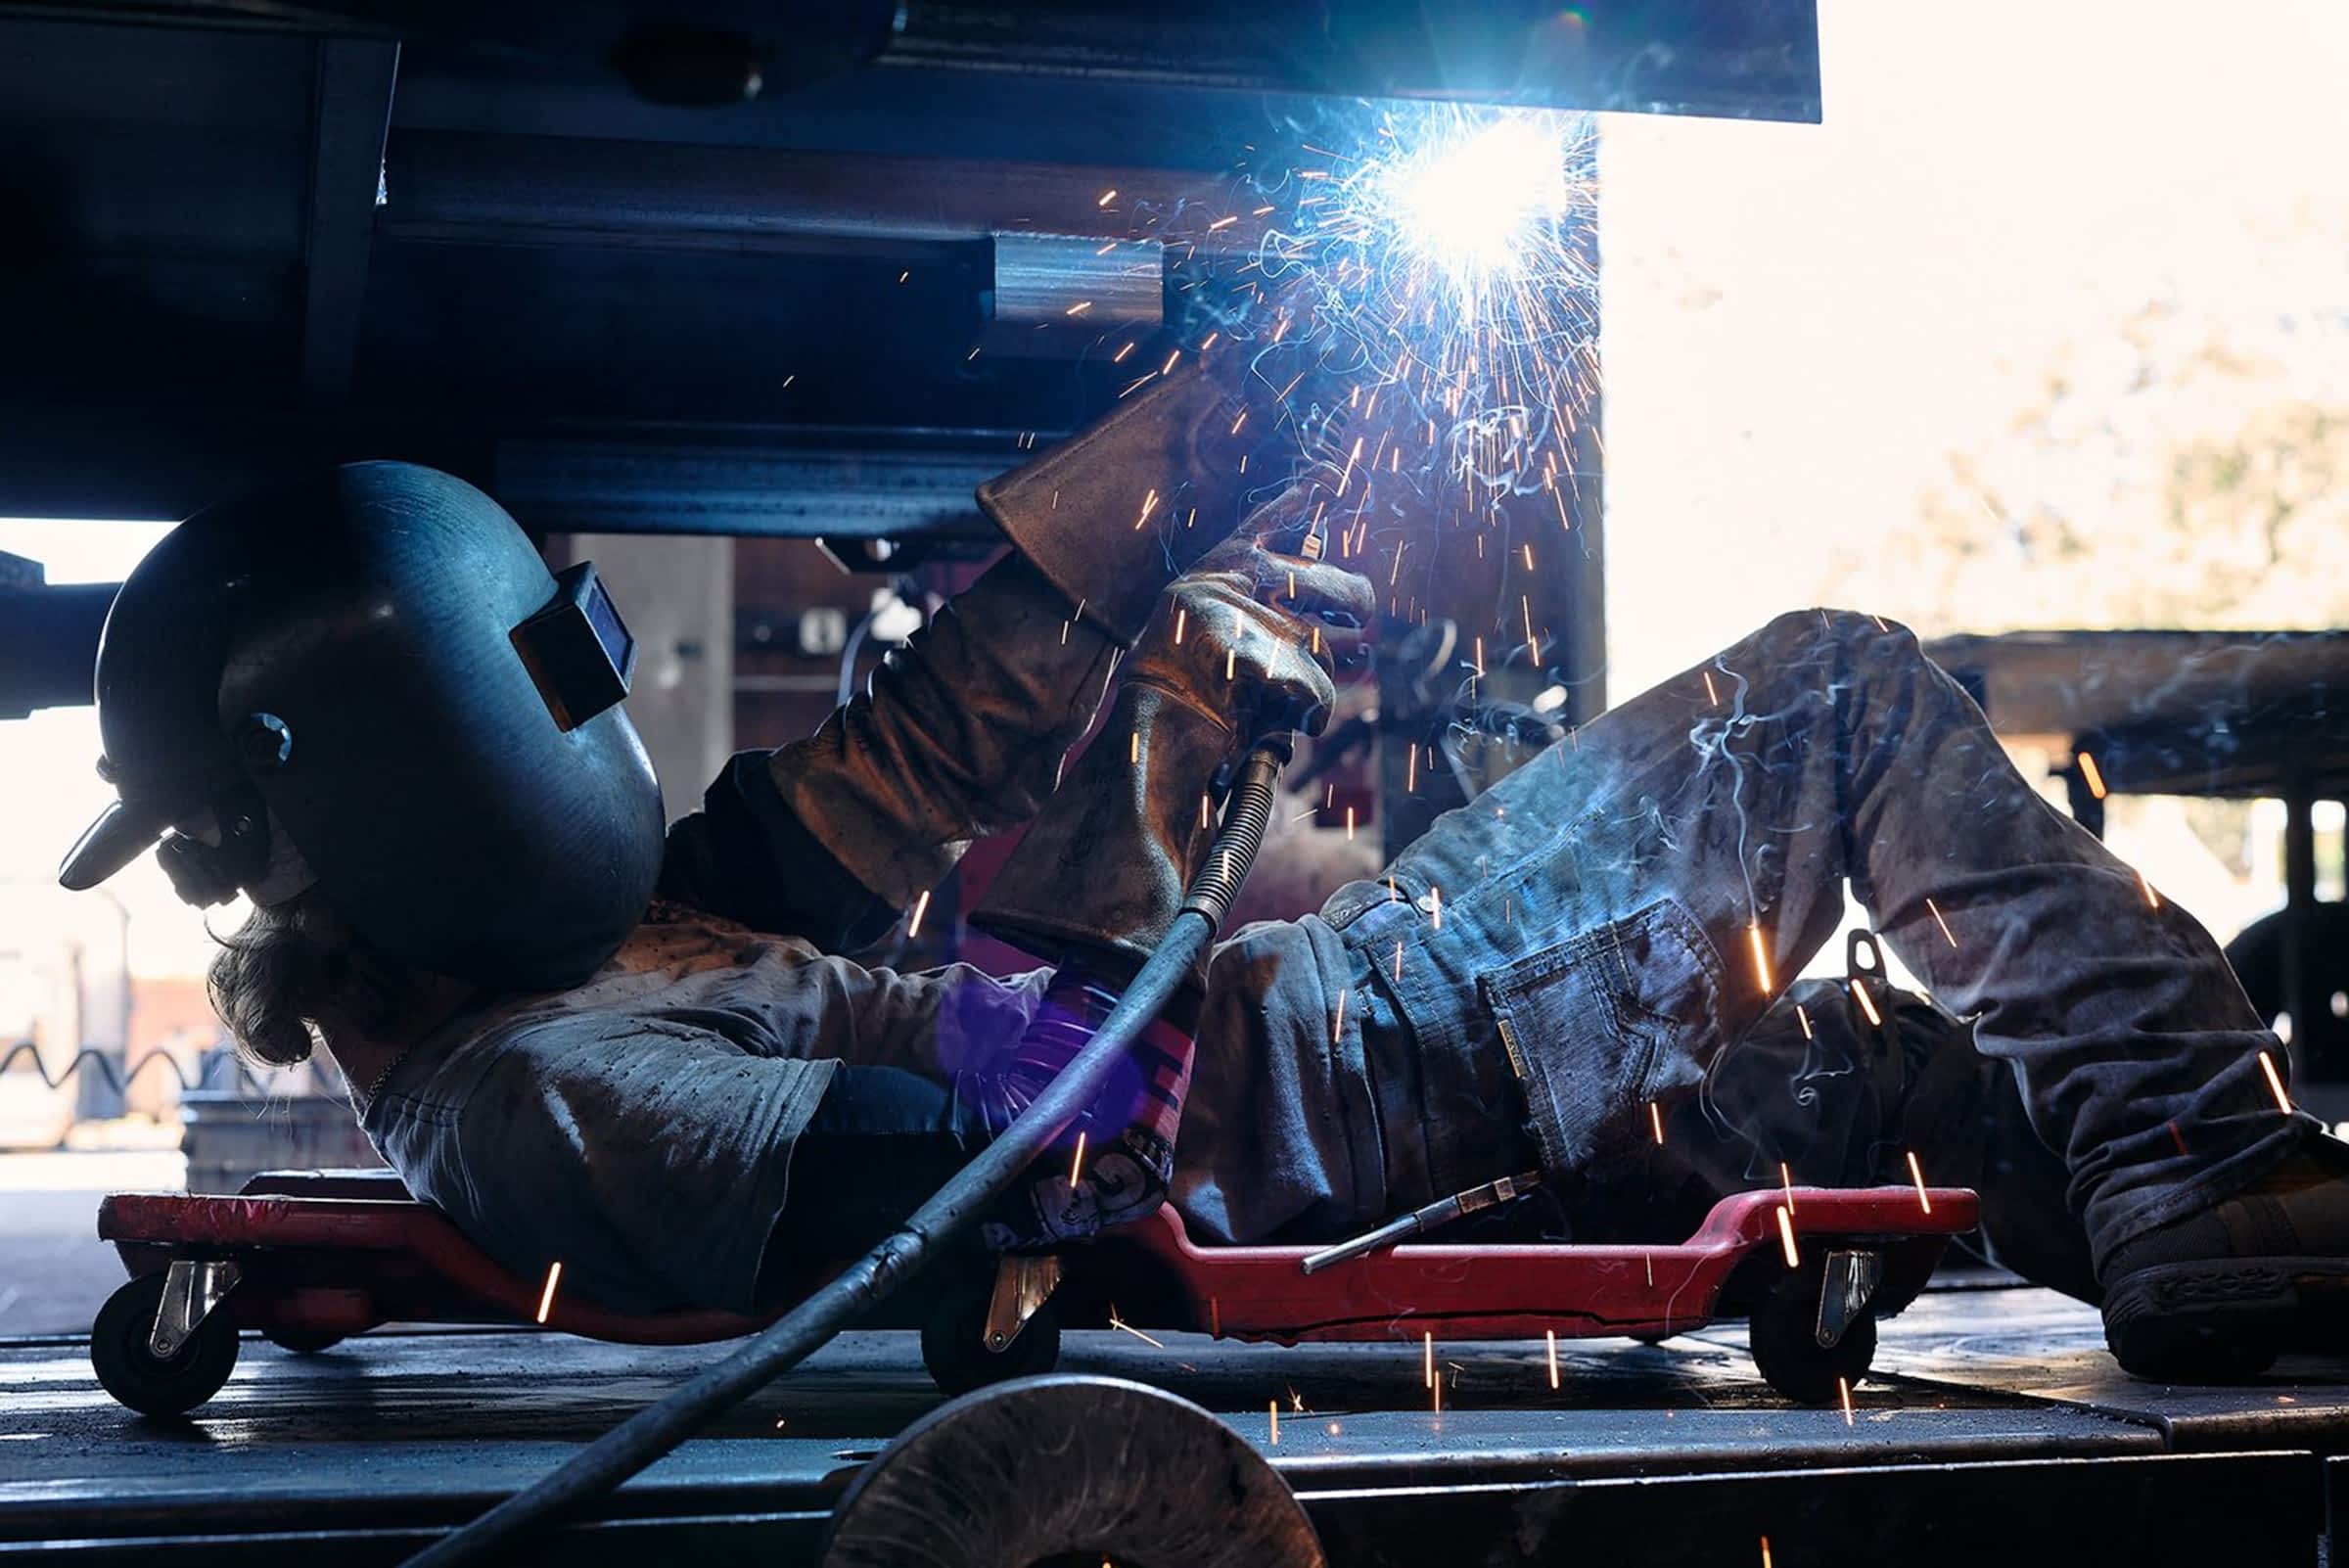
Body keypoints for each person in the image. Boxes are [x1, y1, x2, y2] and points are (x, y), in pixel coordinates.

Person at [60, 434, 2349, 1385]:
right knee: (1836, 705)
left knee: (1878, 1081)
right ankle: (2205, 1173)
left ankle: (2201, 1217)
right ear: (430, 755)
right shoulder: (543, 1083)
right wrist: (1160, 849)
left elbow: (914, 798)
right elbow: (1006, 1178)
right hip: (1362, 1063)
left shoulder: (555, 961)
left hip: (1364, 1065)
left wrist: (1152, 529)